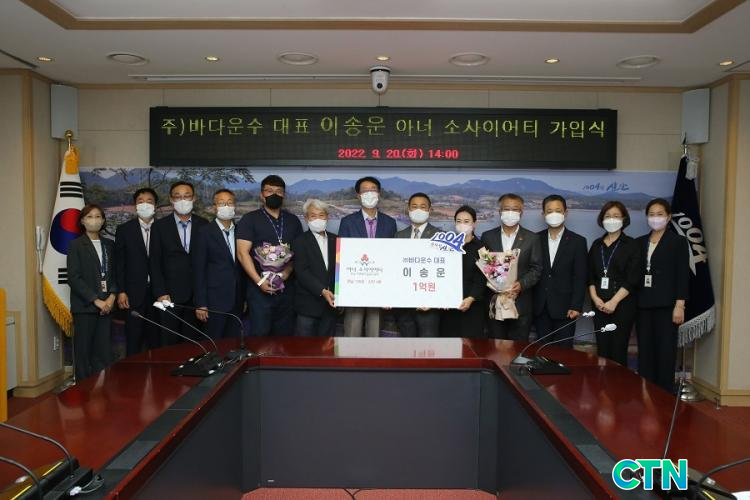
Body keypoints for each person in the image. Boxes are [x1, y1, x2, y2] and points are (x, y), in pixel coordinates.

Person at [236, 175, 303, 336]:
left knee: (285, 337)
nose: (274, 194)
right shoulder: (249, 219)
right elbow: (242, 253)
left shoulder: (293, 220)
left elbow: (298, 253)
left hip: (287, 290)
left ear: (284, 195)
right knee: (260, 336)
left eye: (279, 191)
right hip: (259, 290)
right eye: (269, 190)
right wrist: (259, 281)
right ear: (262, 195)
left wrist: (286, 273)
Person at [636, 198, 689, 392]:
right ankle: (645, 392)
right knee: (645, 351)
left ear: (668, 217)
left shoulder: (678, 242)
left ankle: (664, 394)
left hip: (667, 306)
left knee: (665, 351)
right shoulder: (639, 242)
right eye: (651, 214)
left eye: (660, 214)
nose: (655, 218)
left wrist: (680, 305)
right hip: (643, 305)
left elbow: (682, 274)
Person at [150, 181, 209, 345]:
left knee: (193, 344)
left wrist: (203, 297)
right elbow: (154, 262)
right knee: (169, 343)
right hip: (169, 296)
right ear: (171, 199)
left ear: (194, 198)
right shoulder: (159, 227)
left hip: (196, 297)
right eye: (178, 196)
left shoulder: (204, 224)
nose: (182, 200)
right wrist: (161, 292)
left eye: (187, 196)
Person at [337, 176, 397, 337]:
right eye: (365, 190)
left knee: (374, 330)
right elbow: (341, 256)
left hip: (379, 284)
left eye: (373, 190)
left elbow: (393, 256)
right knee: (352, 329)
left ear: (379, 194)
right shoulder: (347, 222)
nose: (369, 193)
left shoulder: (390, 223)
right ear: (358, 195)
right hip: (354, 284)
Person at [480, 193, 543, 341]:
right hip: (495, 302)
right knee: (495, 345)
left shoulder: (532, 238)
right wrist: (495, 283)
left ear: (521, 212)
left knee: (518, 347)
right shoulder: (488, 236)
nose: (510, 213)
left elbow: (536, 268)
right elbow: (484, 264)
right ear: (499, 211)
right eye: (506, 209)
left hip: (521, 303)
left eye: (515, 209)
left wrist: (521, 284)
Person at [588, 201, 640, 366]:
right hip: (599, 305)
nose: (611, 219)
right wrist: (595, 298)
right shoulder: (596, 245)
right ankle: (602, 381)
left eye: (616, 216)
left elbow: (633, 278)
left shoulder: (632, 245)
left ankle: (618, 383)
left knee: (618, 349)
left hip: (622, 305)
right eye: (608, 216)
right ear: (602, 219)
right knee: (602, 349)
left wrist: (614, 301)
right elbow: (590, 276)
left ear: (624, 219)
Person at [67, 204, 117, 380]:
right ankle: (83, 391)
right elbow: (74, 278)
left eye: (97, 217)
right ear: (82, 221)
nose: (94, 220)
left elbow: (116, 273)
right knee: (84, 354)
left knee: (103, 353)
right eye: (89, 217)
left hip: (107, 307)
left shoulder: (109, 244)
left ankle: (103, 390)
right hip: (85, 307)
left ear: (103, 220)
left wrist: (111, 297)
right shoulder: (75, 245)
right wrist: (96, 300)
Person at [533, 195, 588, 349]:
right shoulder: (535, 239)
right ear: (543, 214)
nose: (554, 214)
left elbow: (580, 276)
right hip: (541, 307)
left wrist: (576, 305)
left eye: (558, 211)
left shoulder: (578, 241)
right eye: (549, 211)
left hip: (566, 308)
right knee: (542, 351)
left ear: (565, 213)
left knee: (564, 352)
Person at [192, 189, 245, 339]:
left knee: (234, 343)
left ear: (235, 206)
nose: (226, 206)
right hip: (213, 302)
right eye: (221, 203)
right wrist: (201, 303)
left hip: (237, 301)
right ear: (214, 207)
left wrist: (244, 298)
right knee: (214, 344)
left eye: (229, 203)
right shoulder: (204, 233)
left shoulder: (241, 232)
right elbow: (198, 270)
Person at [115, 187, 159, 356]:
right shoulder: (124, 230)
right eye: (141, 201)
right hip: (133, 294)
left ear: (155, 205)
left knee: (157, 339)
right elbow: (120, 263)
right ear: (135, 206)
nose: (145, 204)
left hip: (159, 294)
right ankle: (132, 372)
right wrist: (121, 291)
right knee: (134, 339)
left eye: (149, 201)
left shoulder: (163, 228)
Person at [395, 192, 442, 337]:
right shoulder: (399, 236)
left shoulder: (440, 236)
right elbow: (393, 269)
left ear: (429, 210)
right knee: (407, 345)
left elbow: (444, 271)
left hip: (428, 305)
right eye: (414, 206)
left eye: (422, 207)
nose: (418, 210)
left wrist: (435, 300)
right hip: (403, 304)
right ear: (408, 209)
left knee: (427, 346)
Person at [291, 199, 338, 336]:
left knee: (328, 345)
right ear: (306, 219)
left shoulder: (337, 240)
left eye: (321, 215)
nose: (318, 219)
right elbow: (302, 272)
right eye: (313, 216)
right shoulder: (299, 241)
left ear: (327, 217)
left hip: (331, 305)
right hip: (308, 305)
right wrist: (322, 290)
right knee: (305, 346)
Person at [440, 206, 486, 338]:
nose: (462, 224)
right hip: (448, 307)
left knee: (470, 345)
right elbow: (441, 274)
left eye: (466, 221)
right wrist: (442, 297)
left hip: (472, 306)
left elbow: (482, 278)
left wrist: (471, 298)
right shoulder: (445, 246)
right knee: (448, 344)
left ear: (474, 224)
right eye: (459, 221)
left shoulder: (482, 248)